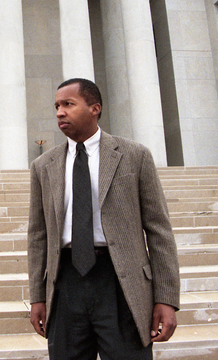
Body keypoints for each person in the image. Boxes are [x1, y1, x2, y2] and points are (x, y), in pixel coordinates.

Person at [27, 78, 180, 360]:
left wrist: (166, 298)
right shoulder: (43, 166)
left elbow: (159, 231)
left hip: (122, 283)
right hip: (65, 282)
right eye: (57, 106)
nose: (60, 112)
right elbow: (38, 236)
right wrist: (37, 295)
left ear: (94, 108)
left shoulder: (135, 156)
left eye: (68, 104)